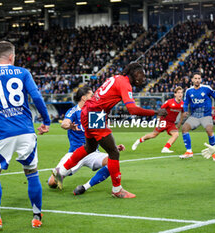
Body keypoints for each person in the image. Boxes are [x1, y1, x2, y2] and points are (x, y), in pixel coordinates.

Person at [52, 62, 167, 199]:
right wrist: (155, 112)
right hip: (95, 114)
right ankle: (117, 190)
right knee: (113, 152)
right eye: (142, 75)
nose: (144, 79)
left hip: (88, 111)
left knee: (89, 147)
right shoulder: (125, 83)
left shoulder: (115, 78)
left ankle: (62, 171)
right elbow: (132, 109)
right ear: (135, 74)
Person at [0, 41, 50, 231]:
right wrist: (46, 121)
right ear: (12, 56)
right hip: (25, 130)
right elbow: (37, 98)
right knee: (31, 173)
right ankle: (36, 217)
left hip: (2, 133)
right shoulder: (23, 72)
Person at [47, 86, 124, 195]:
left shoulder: (95, 112)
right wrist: (69, 125)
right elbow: (64, 123)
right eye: (91, 95)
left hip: (92, 153)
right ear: (83, 98)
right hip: (75, 154)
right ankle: (61, 174)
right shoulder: (74, 111)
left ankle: (85, 187)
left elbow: (102, 136)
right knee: (52, 183)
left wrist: (113, 148)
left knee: (112, 161)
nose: (94, 97)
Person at [180, 72, 215, 161]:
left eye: (199, 78)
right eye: (195, 78)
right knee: (184, 128)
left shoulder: (206, 88)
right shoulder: (188, 91)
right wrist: (185, 111)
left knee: (209, 130)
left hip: (206, 115)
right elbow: (186, 102)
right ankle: (189, 152)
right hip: (195, 116)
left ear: (201, 80)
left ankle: (214, 152)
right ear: (192, 80)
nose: (197, 80)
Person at [132, 86, 184, 153]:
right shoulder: (169, 102)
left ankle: (165, 148)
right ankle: (139, 140)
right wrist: (158, 122)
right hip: (164, 121)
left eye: (181, 93)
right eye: (178, 93)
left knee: (176, 134)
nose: (180, 94)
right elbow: (160, 111)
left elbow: (182, 112)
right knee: (153, 135)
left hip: (171, 123)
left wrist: (180, 122)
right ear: (175, 94)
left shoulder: (183, 104)